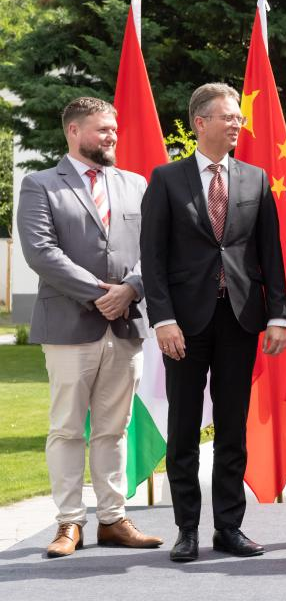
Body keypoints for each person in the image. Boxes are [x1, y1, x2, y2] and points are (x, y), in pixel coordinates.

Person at [140, 83, 286, 562]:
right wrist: (162, 319)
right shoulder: (166, 179)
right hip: (184, 324)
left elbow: (270, 252)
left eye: (238, 119)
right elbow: (154, 257)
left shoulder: (255, 178)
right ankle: (187, 529)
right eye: (228, 117)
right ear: (200, 122)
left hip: (240, 320)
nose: (237, 124)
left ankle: (229, 527)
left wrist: (278, 314)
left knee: (232, 429)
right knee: (183, 429)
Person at [17, 97, 163, 557]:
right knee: (65, 428)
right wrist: (103, 293)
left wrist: (132, 289)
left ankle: (114, 519)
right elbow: (41, 251)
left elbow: (154, 248)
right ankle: (67, 524)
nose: (112, 136)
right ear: (74, 132)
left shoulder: (135, 184)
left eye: (114, 129)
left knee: (113, 429)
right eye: (102, 129)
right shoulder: (40, 185)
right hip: (68, 326)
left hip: (125, 325)